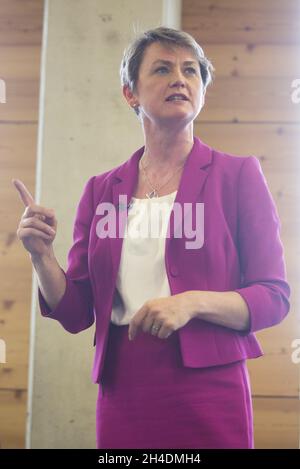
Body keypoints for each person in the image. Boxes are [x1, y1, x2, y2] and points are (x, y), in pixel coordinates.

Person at [13, 27, 290, 449]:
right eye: (162, 68)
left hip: (210, 388)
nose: (180, 78)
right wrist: (41, 257)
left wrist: (191, 303)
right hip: (124, 389)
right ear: (131, 94)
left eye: (191, 70)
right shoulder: (101, 190)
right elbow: (75, 312)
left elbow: (273, 297)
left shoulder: (238, 176)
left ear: (201, 90)